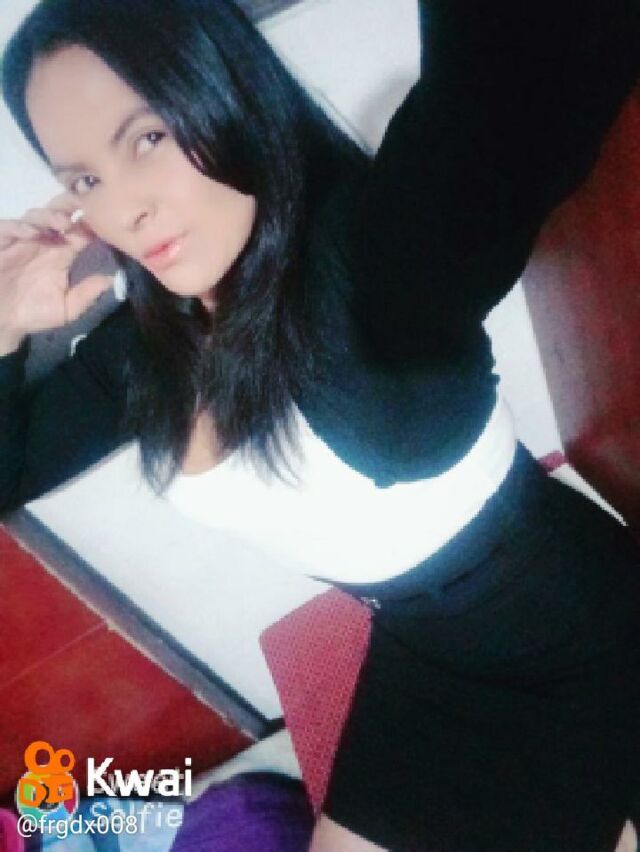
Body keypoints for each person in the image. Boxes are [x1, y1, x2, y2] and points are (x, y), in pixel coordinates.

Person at [1, 0, 640, 848]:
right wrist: (4, 329)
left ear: (224, 89)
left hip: (575, 645)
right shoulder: (147, 350)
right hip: (419, 652)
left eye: (147, 138)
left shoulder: (368, 261)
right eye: (84, 180)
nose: (128, 210)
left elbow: (497, 83)